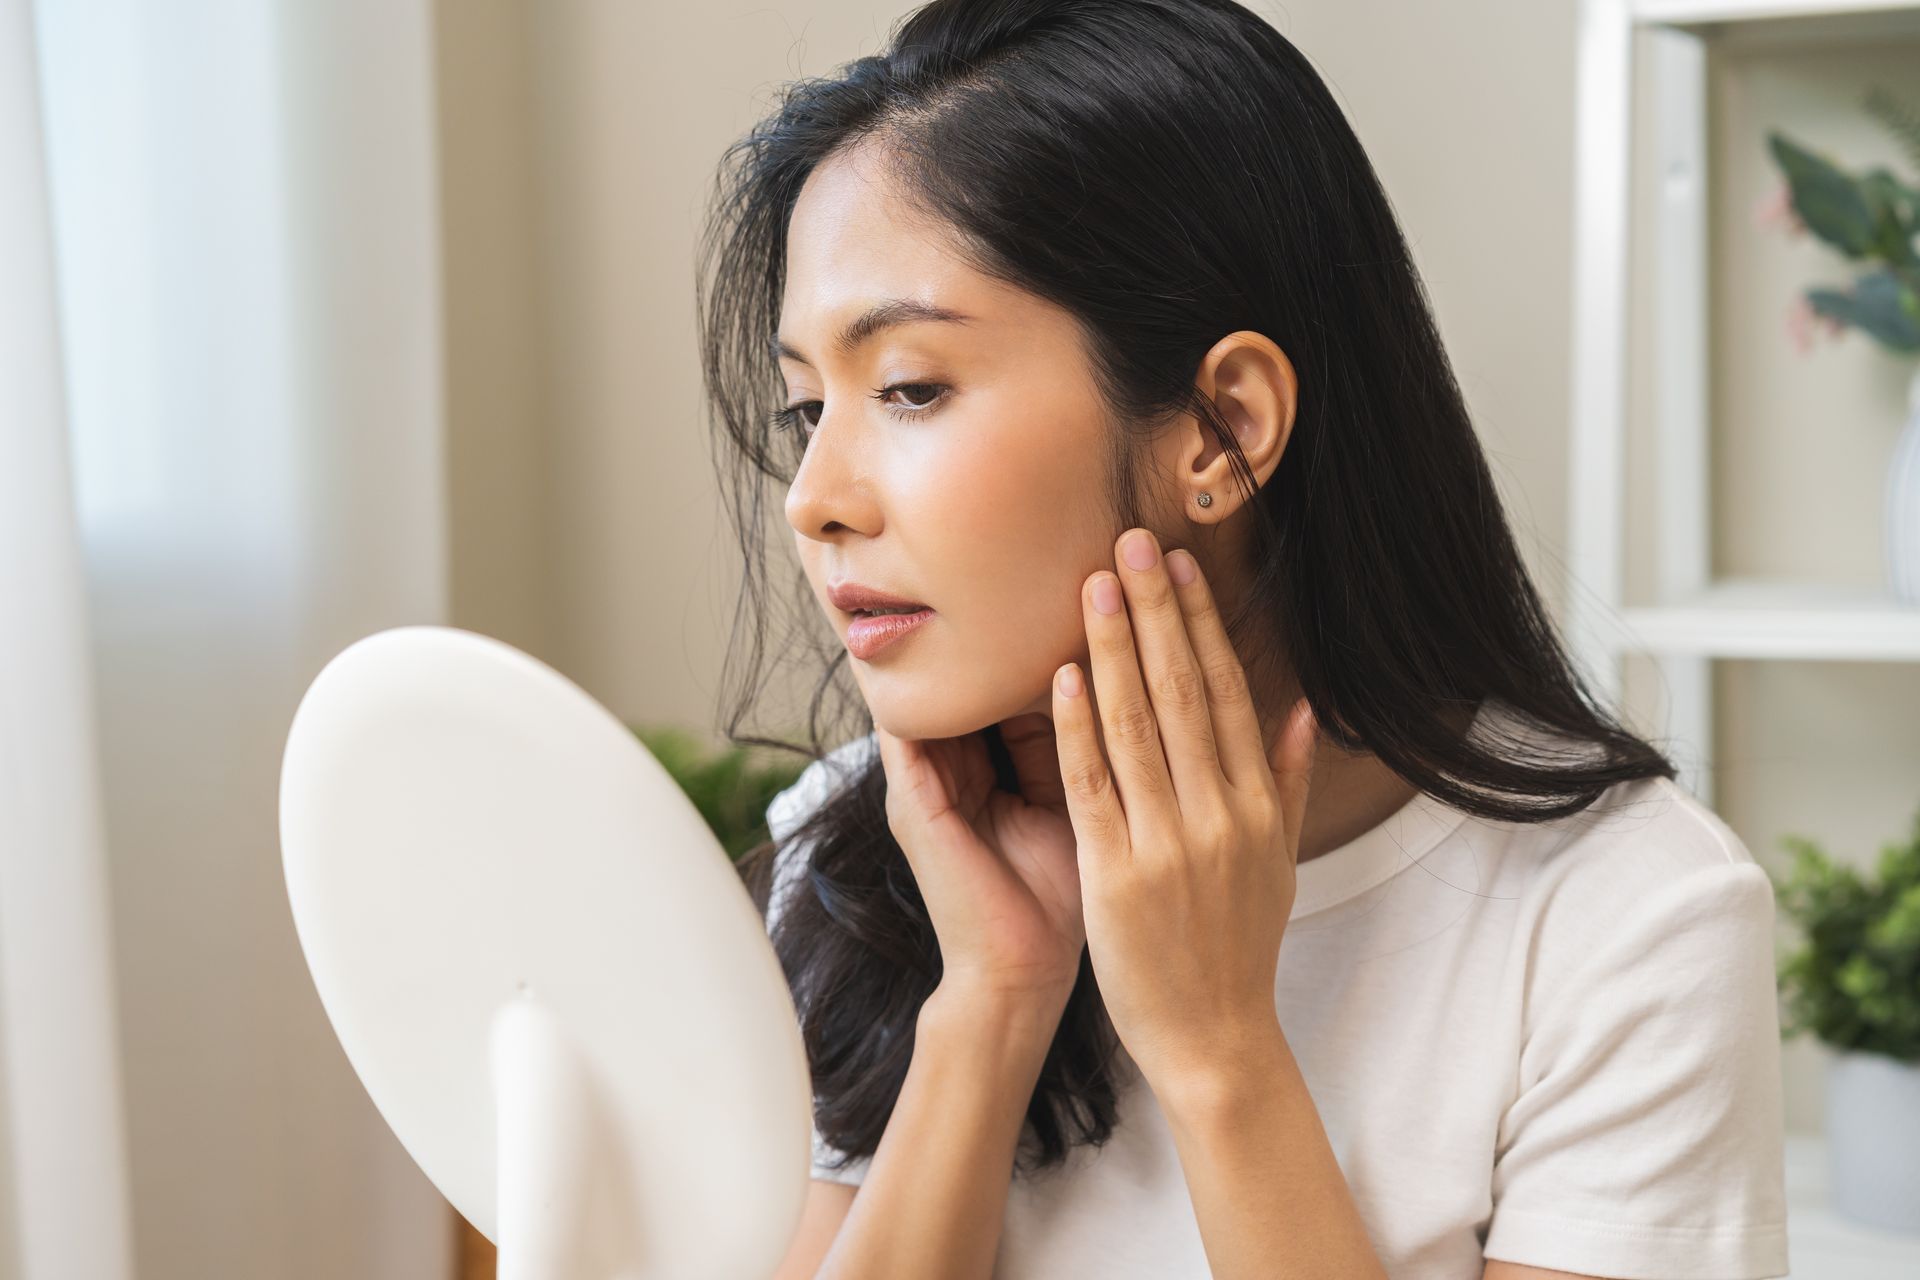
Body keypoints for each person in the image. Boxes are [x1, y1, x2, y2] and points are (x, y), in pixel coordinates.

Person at [700, 2, 1790, 1276]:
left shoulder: (1626, 922)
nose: (814, 495)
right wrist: (991, 1002)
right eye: (805, 408)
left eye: (910, 388)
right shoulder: (871, 848)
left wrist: (1221, 1050)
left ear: (1222, 428)